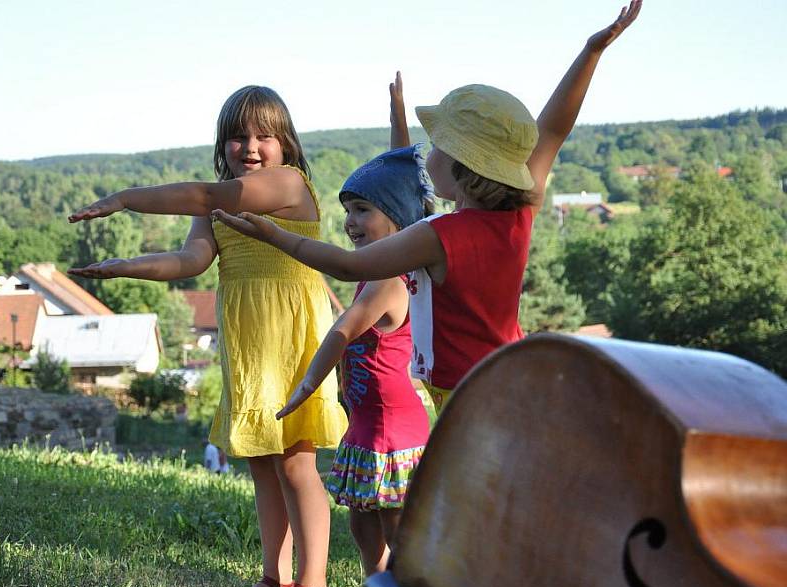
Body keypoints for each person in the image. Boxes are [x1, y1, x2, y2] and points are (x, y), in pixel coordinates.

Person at [211, 1, 642, 410]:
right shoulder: (519, 213)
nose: (427, 153)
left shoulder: (439, 236)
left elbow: (346, 266)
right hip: (506, 372)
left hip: (463, 392)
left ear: (460, 164)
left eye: (436, 146)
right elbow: (553, 130)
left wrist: (272, 233)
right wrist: (591, 52)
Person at [68, 85, 348, 587]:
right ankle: (274, 579)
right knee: (262, 460)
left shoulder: (288, 184)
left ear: (286, 144)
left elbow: (202, 195)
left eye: (265, 135)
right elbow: (189, 261)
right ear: (223, 144)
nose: (251, 147)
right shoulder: (218, 204)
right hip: (249, 339)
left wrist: (127, 200)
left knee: (296, 461)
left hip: (289, 336)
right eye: (238, 137)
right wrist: (124, 267)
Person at [276, 136, 433, 576]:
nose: (350, 221)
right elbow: (403, 174)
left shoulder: (389, 282)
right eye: (347, 211)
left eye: (363, 210)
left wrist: (308, 385)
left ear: (398, 219)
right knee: (362, 519)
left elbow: (342, 331)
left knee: (395, 523)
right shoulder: (373, 274)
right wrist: (396, 121)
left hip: (393, 429)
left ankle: (408, 584)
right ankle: (376, 580)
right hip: (365, 424)